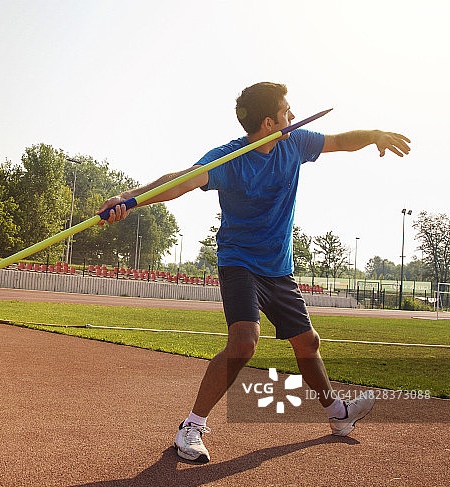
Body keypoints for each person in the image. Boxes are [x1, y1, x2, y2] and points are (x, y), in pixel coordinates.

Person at [98, 82, 411, 463]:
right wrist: (128, 200)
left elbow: (341, 141)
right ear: (268, 122)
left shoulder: (295, 143)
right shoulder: (228, 158)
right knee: (245, 341)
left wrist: (374, 135)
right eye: (286, 111)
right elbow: (179, 182)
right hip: (240, 261)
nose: (293, 116)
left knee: (308, 343)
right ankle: (191, 427)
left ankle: (338, 414)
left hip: (279, 268)